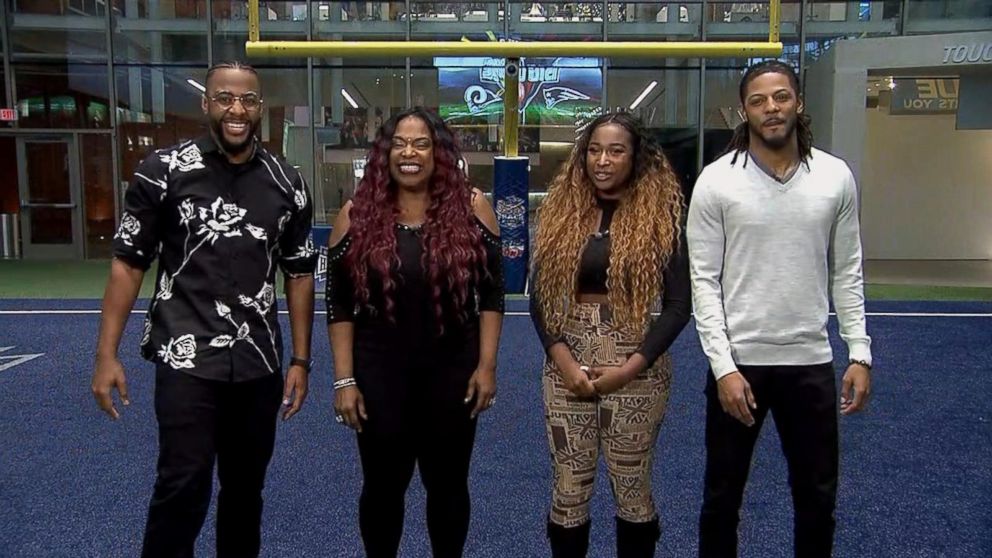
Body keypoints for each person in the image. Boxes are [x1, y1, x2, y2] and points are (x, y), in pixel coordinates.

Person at [91, 61, 317, 558]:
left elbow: (299, 272)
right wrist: (107, 355)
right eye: (225, 98)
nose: (237, 110)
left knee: (245, 493)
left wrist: (301, 359)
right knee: (182, 486)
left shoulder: (287, 181)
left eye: (248, 100)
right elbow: (128, 265)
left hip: (258, 364)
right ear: (206, 103)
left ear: (261, 108)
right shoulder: (162, 171)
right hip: (185, 358)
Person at [687, 60, 873, 558]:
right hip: (739, 366)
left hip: (810, 364)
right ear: (744, 112)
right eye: (758, 100)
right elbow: (703, 281)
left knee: (816, 499)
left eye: (781, 97)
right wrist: (723, 368)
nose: (771, 108)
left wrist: (859, 352)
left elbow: (847, 269)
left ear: (798, 102)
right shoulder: (715, 182)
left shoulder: (835, 177)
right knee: (722, 500)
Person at [325, 107, 504, 558]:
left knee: (448, 489)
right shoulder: (355, 215)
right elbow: (340, 304)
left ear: (438, 154)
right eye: (399, 144)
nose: (409, 153)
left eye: (421, 143)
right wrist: (344, 380)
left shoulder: (474, 209)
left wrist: (487, 366)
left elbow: (493, 295)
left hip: (452, 378)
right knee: (382, 491)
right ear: (384, 155)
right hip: (380, 379)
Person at [530, 112, 691, 558]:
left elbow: (679, 306)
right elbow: (540, 297)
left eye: (616, 150)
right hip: (567, 365)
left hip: (635, 366)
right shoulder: (562, 213)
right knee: (568, 488)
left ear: (636, 157)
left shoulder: (661, 219)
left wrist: (630, 367)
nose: (603, 160)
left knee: (632, 487)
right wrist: (561, 359)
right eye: (594, 150)